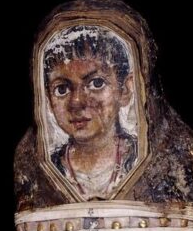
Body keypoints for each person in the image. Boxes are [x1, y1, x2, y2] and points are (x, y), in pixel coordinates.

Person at [43, 25, 138, 198]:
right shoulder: (44, 170)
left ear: (125, 90)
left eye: (96, 83)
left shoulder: (143, 160)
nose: (77, 102)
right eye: (62, 89)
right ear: (48, 99)